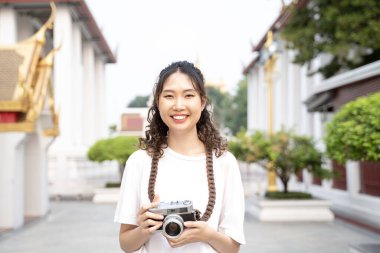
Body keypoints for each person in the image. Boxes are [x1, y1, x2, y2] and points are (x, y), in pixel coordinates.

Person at [114, 61, 245, 253]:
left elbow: (232, 248)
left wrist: (206, 235)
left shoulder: (224, 163)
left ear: (202, 102)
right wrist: (144, 230)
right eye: (169, 96)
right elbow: (126, 243)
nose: (178, 105)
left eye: (188, 95)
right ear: (158, 103)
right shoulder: (139, 161)